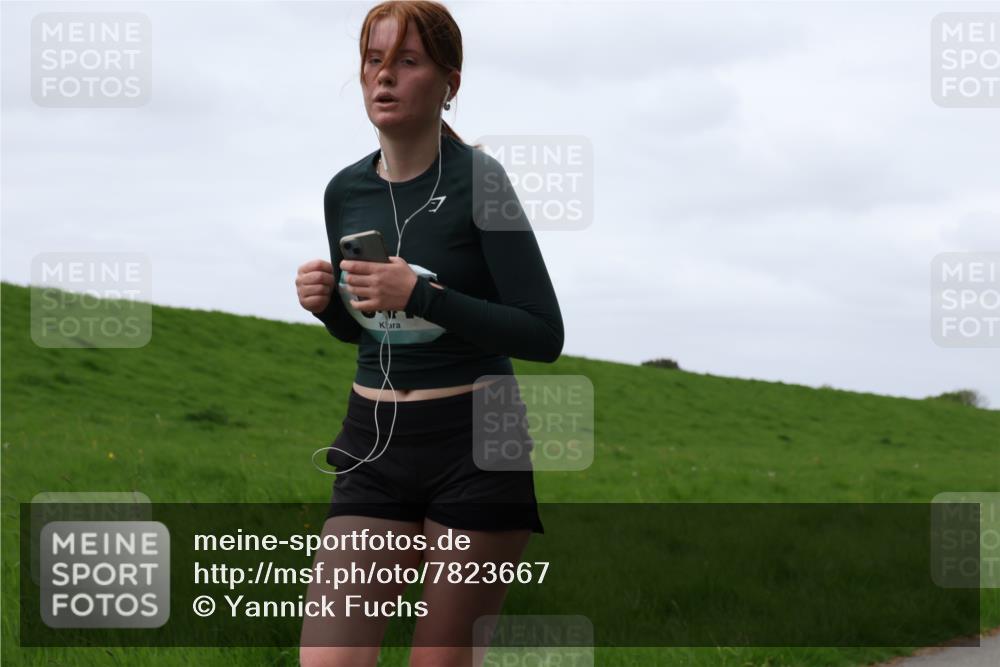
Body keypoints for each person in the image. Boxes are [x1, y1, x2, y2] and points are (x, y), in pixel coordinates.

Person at [295, 2, 563, 665]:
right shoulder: (343, 191)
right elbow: (373, 332)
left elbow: (542, 333)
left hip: (475, 446)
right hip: (372, 445)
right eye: (373, 60)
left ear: (450, 82)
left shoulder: (481, 181)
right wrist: (331, 307)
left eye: (406, 61)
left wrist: (421, 294)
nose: (383, 77)